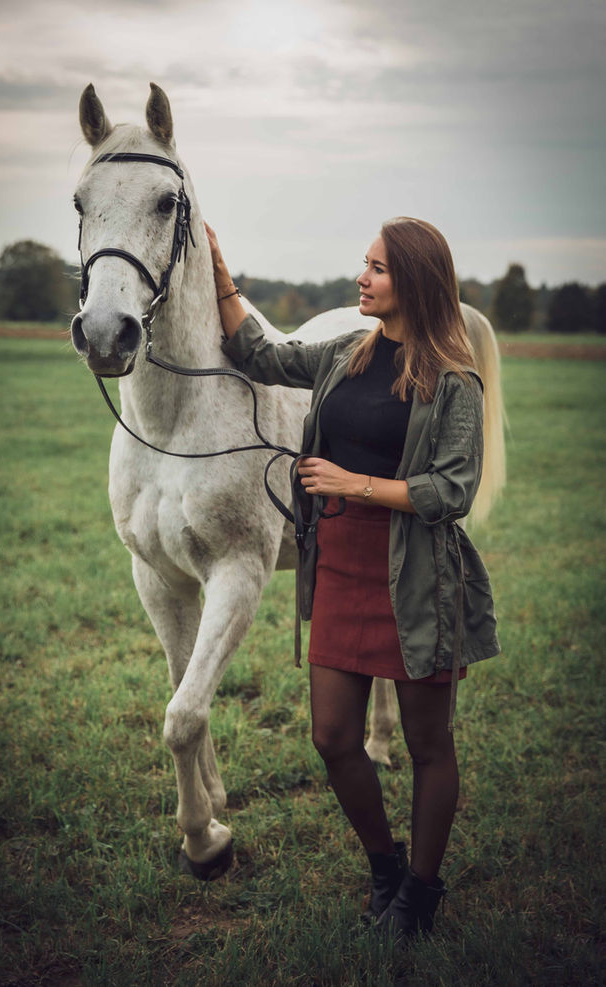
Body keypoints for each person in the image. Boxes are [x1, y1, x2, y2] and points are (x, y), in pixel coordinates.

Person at [205, 217, 499, 942]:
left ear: (415, 283)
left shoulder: (452, 381)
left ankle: (420, 896)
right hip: (337, 566)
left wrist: (352, 482)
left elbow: (451, 490)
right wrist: (219, 275)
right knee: (333, 737)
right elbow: (262, 355)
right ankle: (384, 868)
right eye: (362, 265)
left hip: (417, 577)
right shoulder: (343, 354)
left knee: (430, 745)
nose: (359, 279)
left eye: (375, 269)